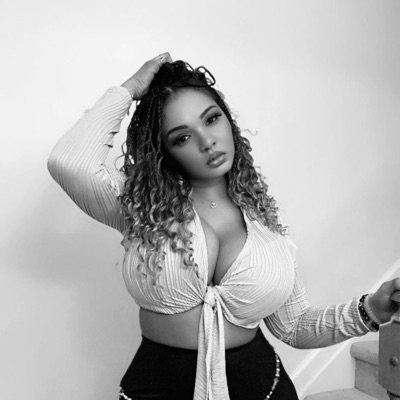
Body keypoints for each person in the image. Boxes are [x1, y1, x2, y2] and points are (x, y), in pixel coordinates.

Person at [47, 53, 400, 400]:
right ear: (163, 151)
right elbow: (68, 162)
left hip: (264, 387)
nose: (207, 142)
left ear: (228, 120)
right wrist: (129, 90)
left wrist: (370, 310)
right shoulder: (141, 208)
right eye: (182, 137)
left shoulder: (267, 223)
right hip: (157, 386)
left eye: (212, 119)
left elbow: (293, 327)